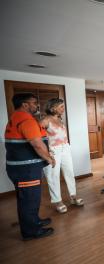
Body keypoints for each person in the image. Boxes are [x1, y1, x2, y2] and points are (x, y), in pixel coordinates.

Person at [5, 93, 55, 240]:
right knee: (29, 199)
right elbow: (37, 145)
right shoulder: (26, 120)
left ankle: (34, 221)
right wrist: (49, 159)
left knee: (27, 198)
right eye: (34, 103)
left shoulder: (16, 118)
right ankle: (31, 231)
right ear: (25, 104)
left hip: (20, 168)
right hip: (26, 170)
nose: (36, 105)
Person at [41, 98, 84, 213]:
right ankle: (57, 201)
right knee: (53, 176)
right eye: (61, 107)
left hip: (65, 148)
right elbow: (39, 138)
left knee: (69, 172)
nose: (63, 109)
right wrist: (46, 152)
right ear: (53, 108)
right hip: (53, 151)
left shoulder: (60, 119)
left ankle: (73, 196)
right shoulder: (45, 121)